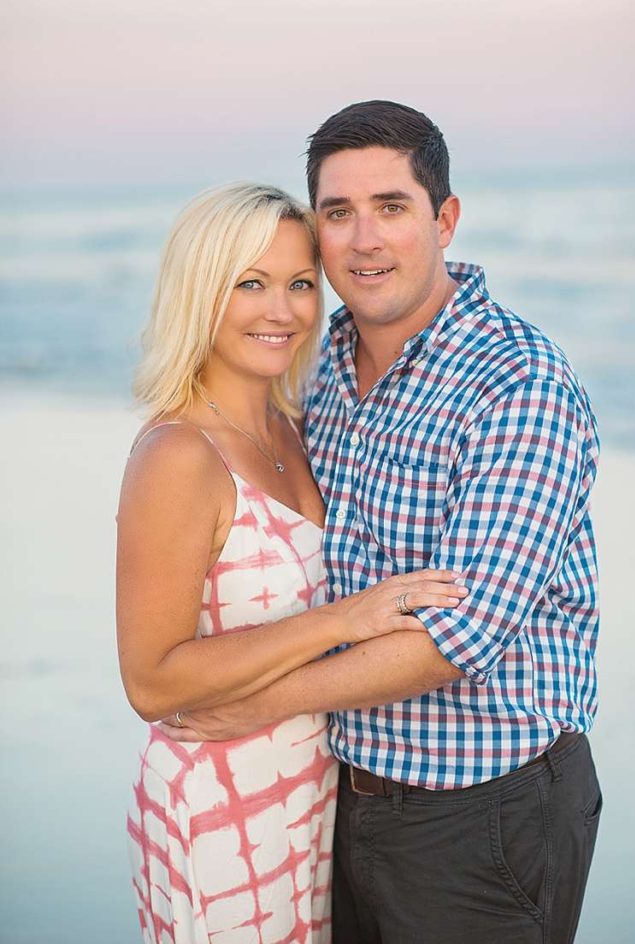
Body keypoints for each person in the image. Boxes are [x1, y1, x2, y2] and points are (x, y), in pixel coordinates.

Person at [161, 102, 602, 944]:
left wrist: (252, 701)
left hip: (482, 814)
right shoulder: (313, 363)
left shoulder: (519, 384)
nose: (364, 239)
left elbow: (458, 637)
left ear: (445, 219)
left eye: (392, 207)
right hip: (337, 795)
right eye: (338, 213)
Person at [116, 181, 470, 943]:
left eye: (300, 285)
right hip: (219, 796)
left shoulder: (294, 426)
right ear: (199, 291)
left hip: (310, 792)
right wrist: (340, 620)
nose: (282, 312)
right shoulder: (179, 454)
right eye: (250, 283)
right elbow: (150, 681)